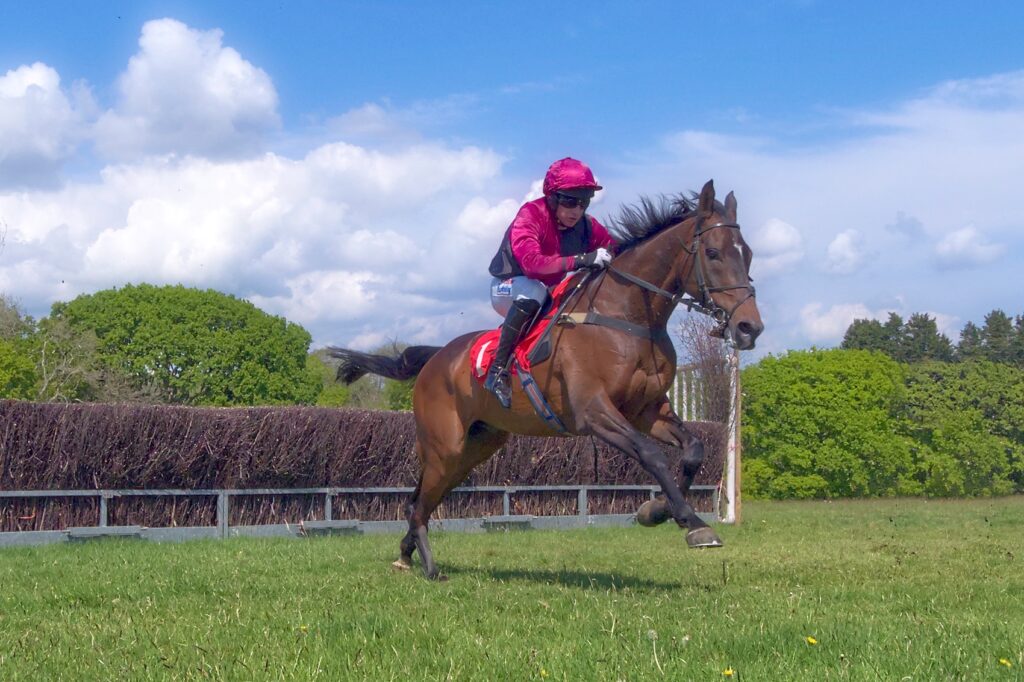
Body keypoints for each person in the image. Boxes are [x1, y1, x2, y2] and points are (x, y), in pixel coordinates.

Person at [484, 157, 617, 408]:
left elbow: (616, 250)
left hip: (545, 290)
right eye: (569, 201)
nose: (576, 210)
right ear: (553, 198)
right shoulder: (531, 214)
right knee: (534, 290)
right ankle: (497, 371)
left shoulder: (588, 227)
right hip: (508, 286)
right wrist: (584, 259)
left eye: (584, 202)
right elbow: (534, 264)